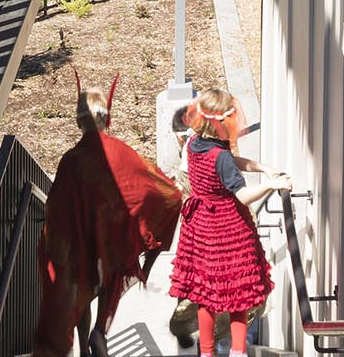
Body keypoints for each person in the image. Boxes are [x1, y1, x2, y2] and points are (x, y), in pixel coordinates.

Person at [32, 75, 184, 357]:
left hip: (78, 238)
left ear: (79, 121)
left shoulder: (71, 159)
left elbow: (56, 205)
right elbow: (148, 183)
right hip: (110, 232)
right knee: (111, 272)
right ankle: (100, 330)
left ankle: (84, 345)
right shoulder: (121, 152)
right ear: (106, 119)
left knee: (81, 286)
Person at [167, 87, 290, 357]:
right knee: (239, 293)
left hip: (199, 228)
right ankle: (237, 352)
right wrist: (273, 184)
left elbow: (229, 162)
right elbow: (244, 195)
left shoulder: (194, 144)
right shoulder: (220, 155)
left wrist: (261, 167)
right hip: (227, 229)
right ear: (221, 121)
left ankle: (207, 352)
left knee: (205, 295)